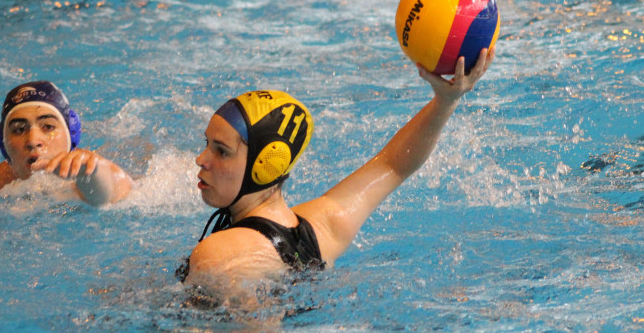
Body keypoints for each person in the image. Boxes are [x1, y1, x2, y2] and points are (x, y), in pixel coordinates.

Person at [179, 48, 495, 306]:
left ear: (265, 166)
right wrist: (445, 100)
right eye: (207, 145)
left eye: (221, 151)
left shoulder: (219, 255)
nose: (201, 159)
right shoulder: (323, 227)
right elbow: (393, 165)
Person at [0, 80, 134, 205]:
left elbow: (107, 197)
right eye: (19, 129)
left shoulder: (93, 166)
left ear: (71, 135)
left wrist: (88, 173)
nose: (33, 141)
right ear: (3, 143)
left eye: (48, 126)